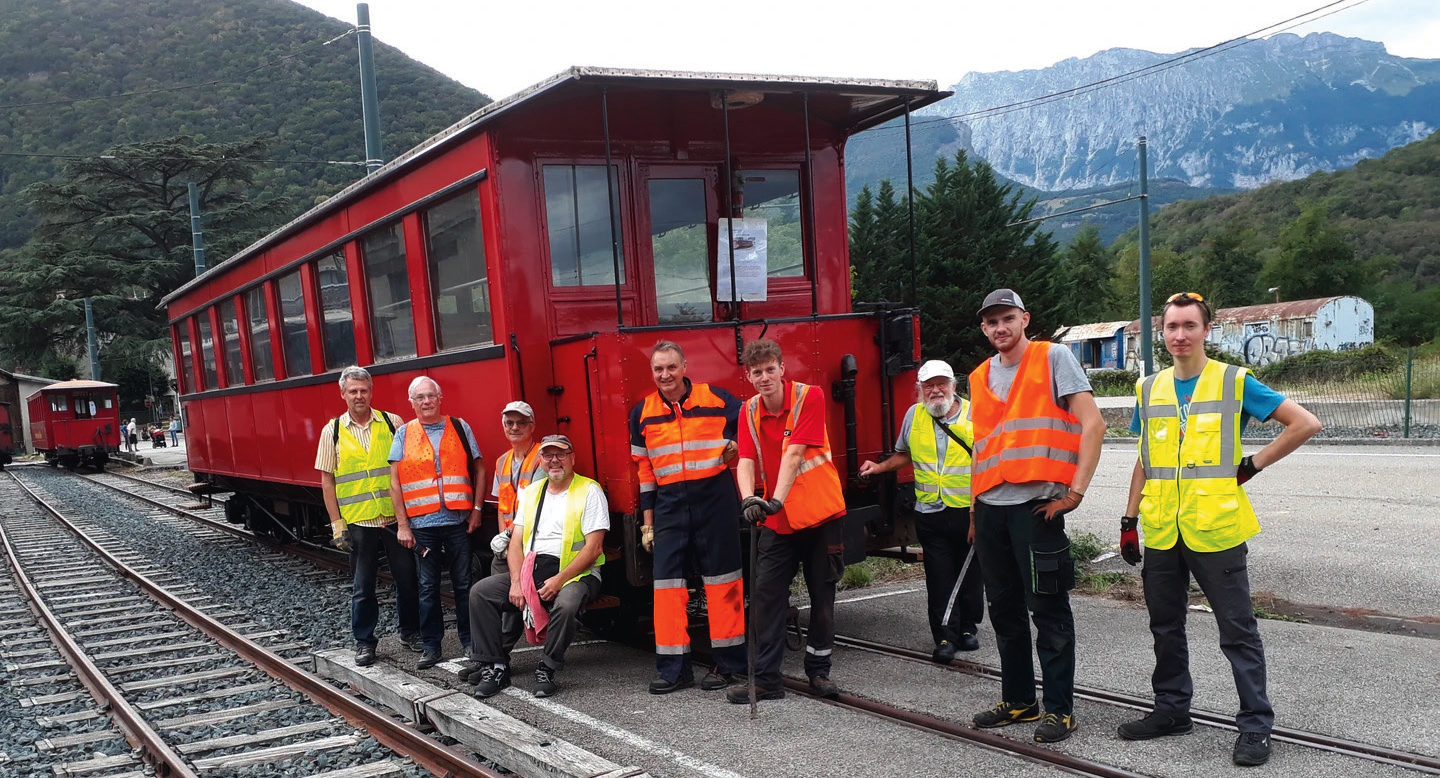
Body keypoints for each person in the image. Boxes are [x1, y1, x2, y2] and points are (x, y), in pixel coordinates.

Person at [1117, 292, 1321, 767]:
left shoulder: (1233, 381)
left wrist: (1252, 465)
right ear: (1162, 333)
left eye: (1189, 325)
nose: (1180, 335)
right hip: (1164, 529)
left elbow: (1304, 423)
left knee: (1237, 631)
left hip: (1216, 529)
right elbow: (1145, 458)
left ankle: (1254, 726)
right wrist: (1130, 519)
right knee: (1165, 627)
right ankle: (1171, 710)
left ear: (1207, 330)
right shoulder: (1149, 388)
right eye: (1171, 327)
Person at [966, 289, 1104, 743]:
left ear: (1025, 318)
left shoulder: (1053, 357)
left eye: (1007, 319)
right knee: (1003, 610)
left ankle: (1059, 710)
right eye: (991, 323)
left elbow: (1093, 423)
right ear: (984, 329)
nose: (1000, 328)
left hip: (1036, 509)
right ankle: (1021, 701)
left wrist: (1076, 492)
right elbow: (982, 451)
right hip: (990, 510)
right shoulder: (979, 376)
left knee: (1047, 609)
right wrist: (974, 512)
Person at [730, 338, 847, 704]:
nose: (764, 377)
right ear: (747, 376)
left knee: (822, 598)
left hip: (818, 514)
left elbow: (795, 453)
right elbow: (745, 459)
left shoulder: (808, 397)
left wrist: (774, 500)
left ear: (782, 369)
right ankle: (766, 679)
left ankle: (819, 672)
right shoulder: (748, 411)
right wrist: (749, 498)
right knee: (766, 597)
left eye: (769, 370)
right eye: (756, 372)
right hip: (778, 522)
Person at [629, 341, 747, 695]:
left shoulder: (719, 400)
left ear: (684, 366)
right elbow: (645, 471)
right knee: (666, 588)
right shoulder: (642, 413)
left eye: (671, 367)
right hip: (669, 503)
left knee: (723, 583)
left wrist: (736, 447)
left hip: (715, 497)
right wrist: (648, 522)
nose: (665, 375)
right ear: (652, 372)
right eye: (658, 369)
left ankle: (729, 666)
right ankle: (674, 669)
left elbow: (751, 429)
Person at [858, 359, 984, 664]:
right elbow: (905, 454)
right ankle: (944, 637)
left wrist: (982, 509)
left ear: (955, 386)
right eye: (929, 386)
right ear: (920, 390)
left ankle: (968, 627)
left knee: (970, 574)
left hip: (968, 511)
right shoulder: (914, 415)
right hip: (930, 511)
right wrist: (880, 467)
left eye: (942, 384)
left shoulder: (976, 414)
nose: (936, 391)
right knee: (939, 576)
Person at [467, 435, 608, 699]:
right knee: (480, 593)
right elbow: (517, 542)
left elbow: (594, 549)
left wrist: (558, 580)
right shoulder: (532, 492)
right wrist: (518, 582)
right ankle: (495, 666)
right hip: (534, 568)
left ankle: (547, 667)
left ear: (572, 458)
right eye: (548, 455)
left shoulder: (590, 490)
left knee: (566, 604)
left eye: (561, 454)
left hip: (577, 572)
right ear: (541, 461)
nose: (554, 460)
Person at [316, 366, 421, 666]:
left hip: (392, 518)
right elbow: (327, 481)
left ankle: (409, 633)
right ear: (343, 394)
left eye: (363, 390)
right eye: (353, 391)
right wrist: (338, 525)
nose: (359, 396)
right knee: (363, 586)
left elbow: (406, 469)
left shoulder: (392, 423)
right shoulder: (332, 431)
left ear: (371, 392)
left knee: (407, 579)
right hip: (359, 521)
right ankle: (364, 642)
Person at [389, 376, 485, 669]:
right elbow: (395, 483)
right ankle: (431, 646)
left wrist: (477, 508)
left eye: (430, 396)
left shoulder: (459, 426)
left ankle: (470, 641)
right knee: (428, 587)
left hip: (457, 521)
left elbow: (479, 468)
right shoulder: (404, 433)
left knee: (464, 584)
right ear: (412, 403)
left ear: (440, 397)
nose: (426, 402)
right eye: (420, 397)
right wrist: (403, 525)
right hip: (422, 526)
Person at [457, 400, 545, 686]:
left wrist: (516, 545)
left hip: (529, 545)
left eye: (521, 423)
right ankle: (492, 659)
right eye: (510, 423)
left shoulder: (542, 458)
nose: (515, 428)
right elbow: (503, 508)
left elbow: (542, 507)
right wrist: (502, 542)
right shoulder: (502, 461)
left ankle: (493, 660)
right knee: (500, 605)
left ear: (532, 425)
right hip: (508, 544)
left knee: (509, 606)